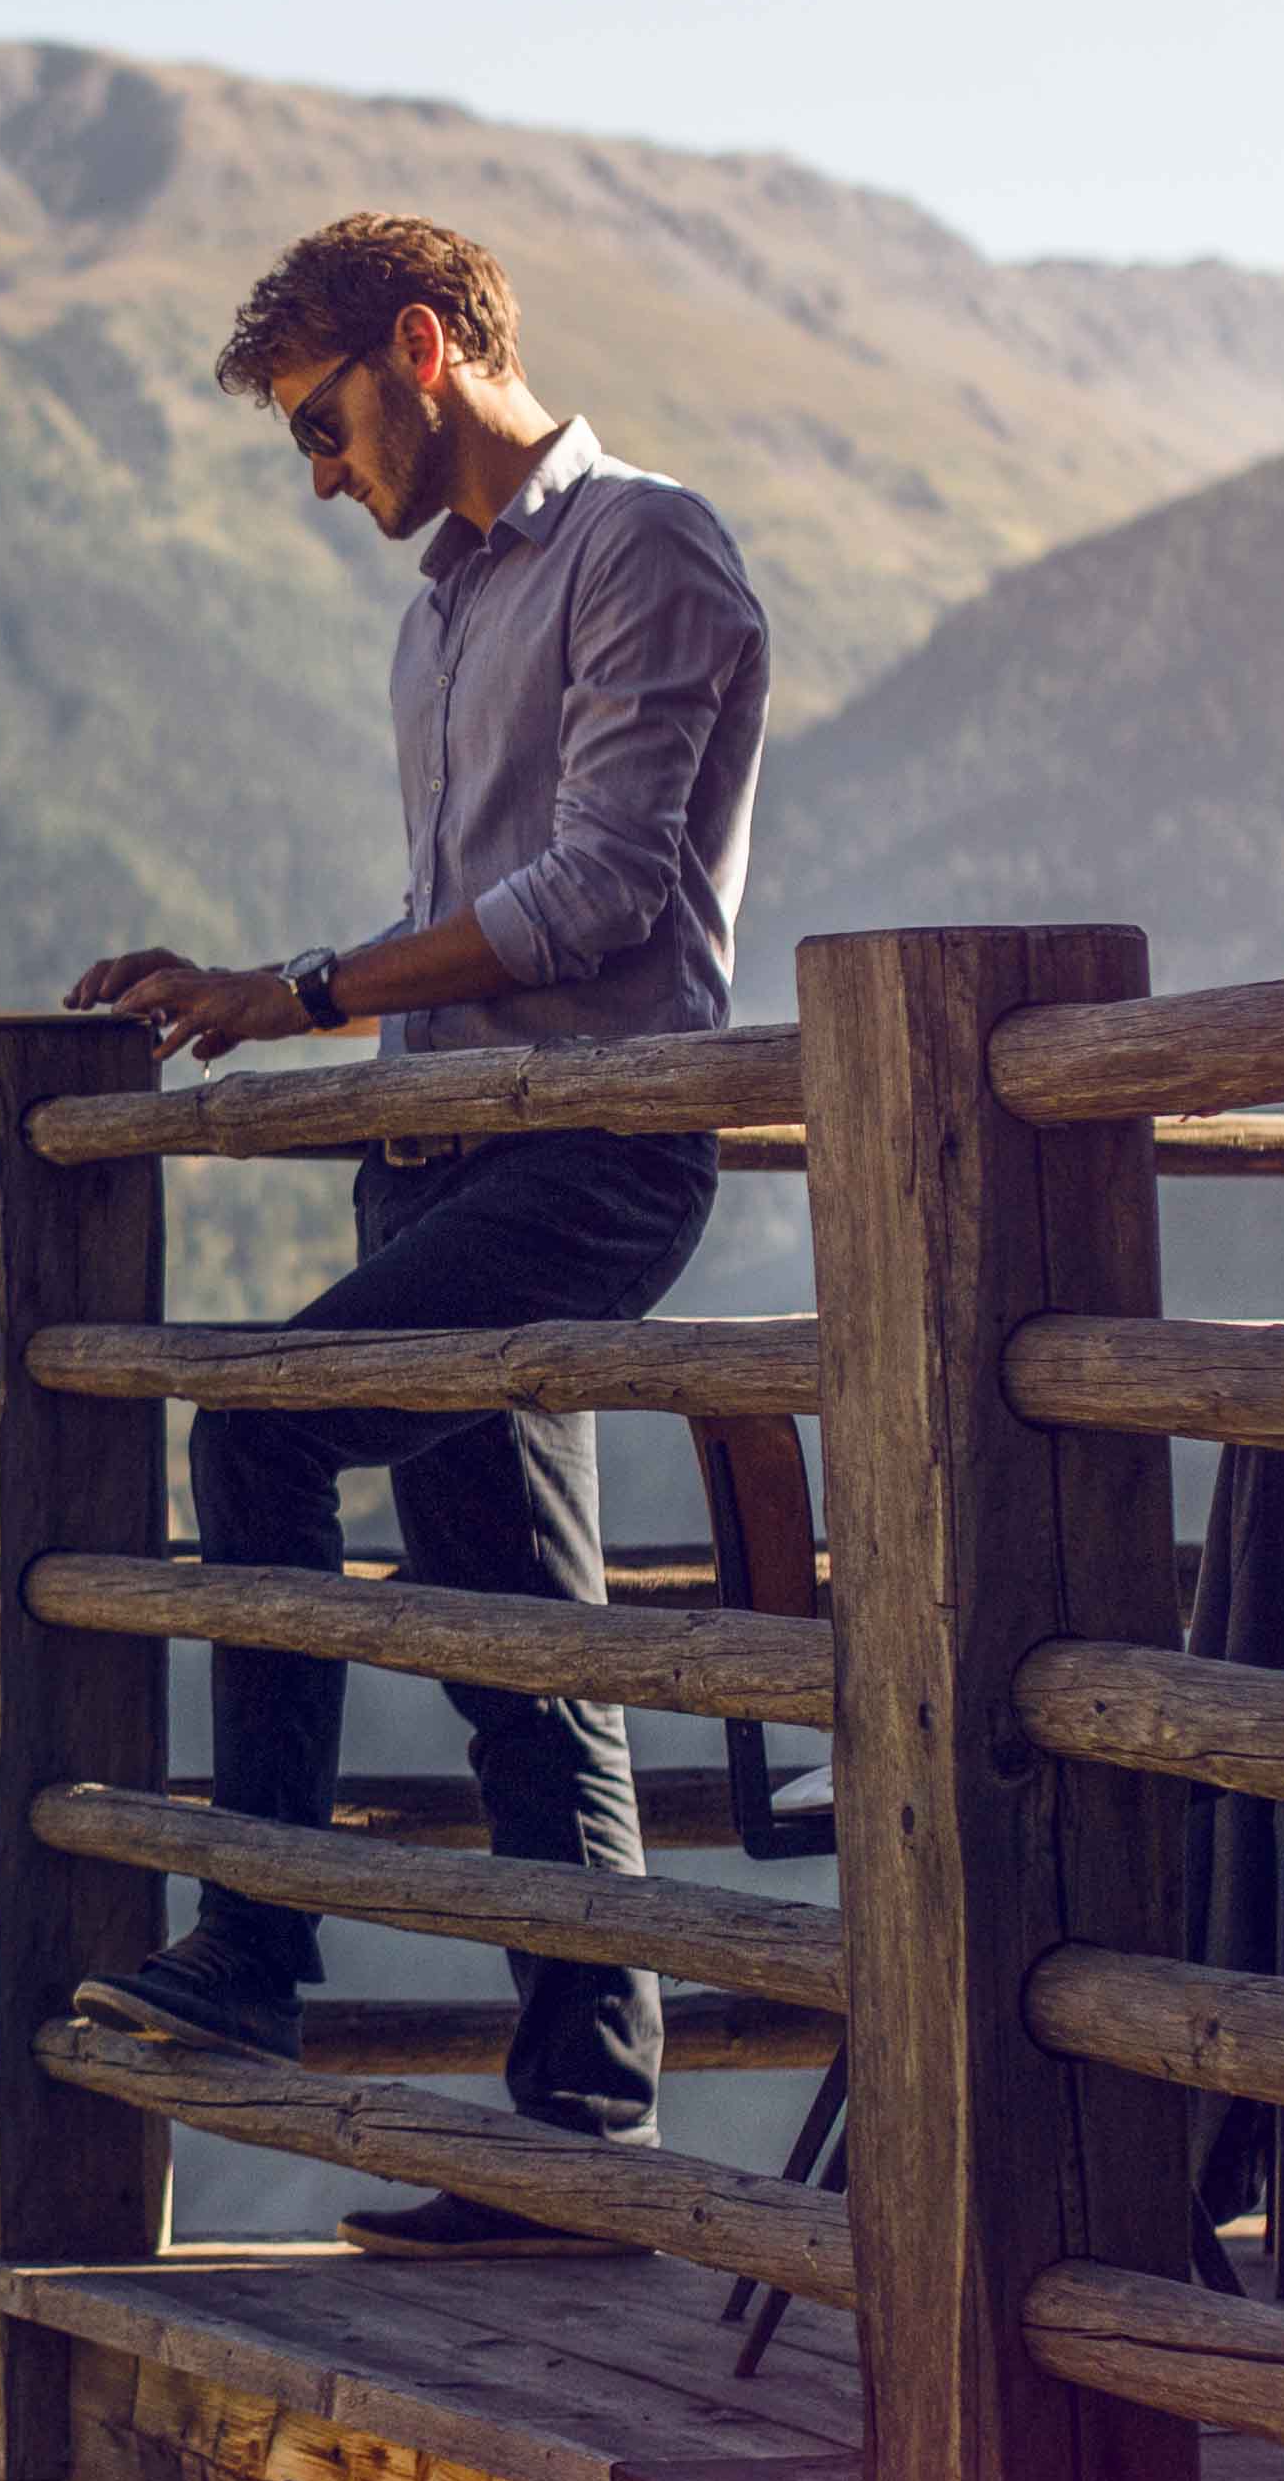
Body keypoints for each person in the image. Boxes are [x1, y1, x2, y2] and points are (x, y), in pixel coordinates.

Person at [62, 209, 770, 2248]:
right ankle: (582, 2144)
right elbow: (485, 924)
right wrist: (336, 1044)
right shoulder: (441, 614)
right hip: (448, 1153)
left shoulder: (650, 550)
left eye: (321, 422)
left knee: (263, 1431)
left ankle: (257, 1954)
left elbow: (609, 897)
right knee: (520, 1663)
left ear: (422, 345)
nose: (318, 474)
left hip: (595, 1158)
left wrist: (293, 996)